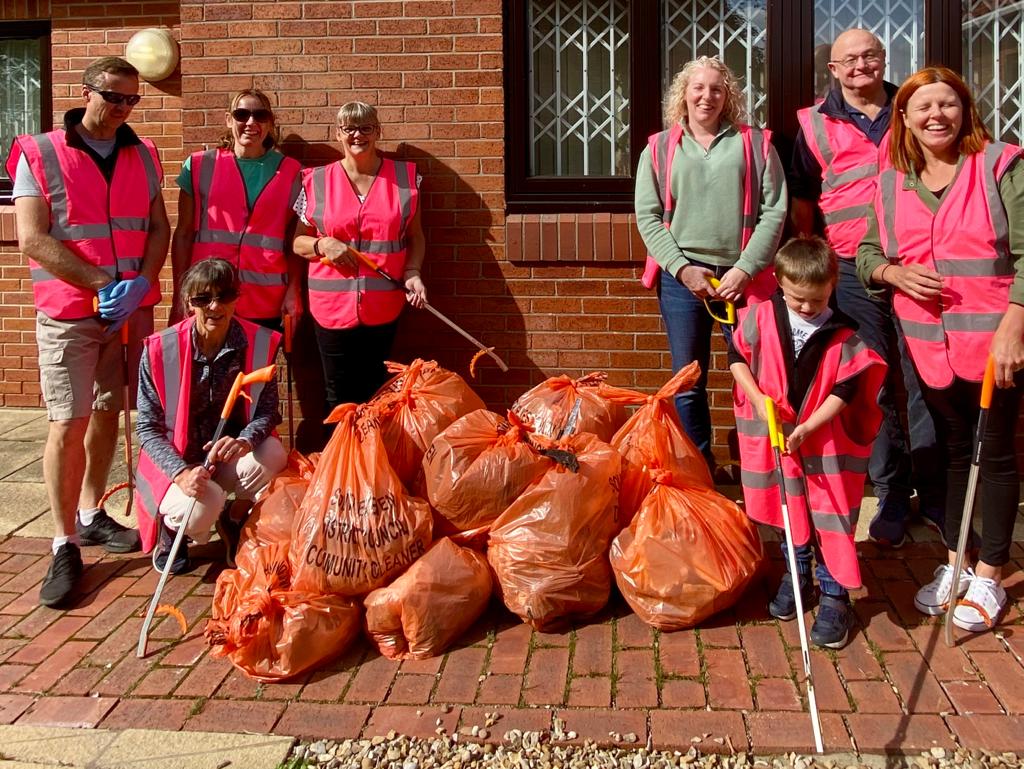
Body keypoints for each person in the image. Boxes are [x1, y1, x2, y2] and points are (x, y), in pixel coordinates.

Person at [857, 67, 1024, 633]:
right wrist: (892, 272)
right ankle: (956, 560)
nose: (936, 116)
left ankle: (993, 572)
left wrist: (1014, 328)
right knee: (953, 453)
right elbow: (867, 252)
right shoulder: (891, 180)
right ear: (903, 117)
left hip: (994, 343)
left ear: (964, 109)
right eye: (922, 106)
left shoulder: (1000, 166)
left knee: (994, 454)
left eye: (946, 104)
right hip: (929, 346)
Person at [7, 56, 169, 607]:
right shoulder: (41, 152)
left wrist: (143, 285)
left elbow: (157, 227)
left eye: (132, 101)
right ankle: (63, 543)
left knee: (108, 413)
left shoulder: (143, 153)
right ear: (87, 92)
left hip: (126, 314)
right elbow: (32, 237)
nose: (122, 108)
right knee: (68, 422)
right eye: (113, 97)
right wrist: (104, 283)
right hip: (70, 313)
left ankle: (93, 511)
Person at [790, 28, 941, 548]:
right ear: (832, 69)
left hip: (917, 262)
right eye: (848, 59)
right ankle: (892, 491)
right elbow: (804, 202)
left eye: (870, 55)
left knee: (923, 376)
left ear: (884, 59)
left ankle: (934, 492)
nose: (861, 65)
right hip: (852, 268)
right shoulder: (813, 124)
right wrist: (818, 261)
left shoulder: (912, 109)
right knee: (872, 380)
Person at [634, 56, 787, 474]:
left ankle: (761, 467)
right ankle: (700, 467)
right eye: (698, 87)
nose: (707, 96)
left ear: (728, 96)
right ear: (684, 94)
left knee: (760, 377)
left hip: (744, 278)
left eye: (716, 88)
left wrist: (745, 269)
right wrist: (682, 269)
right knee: (689, 379)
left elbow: (774, 211)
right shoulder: (660, 148)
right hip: (684, 279)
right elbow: (646, 215)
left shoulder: (755, 144)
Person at [731, 237, 886, 648]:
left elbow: (847, 389)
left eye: (815, 300)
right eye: (798, 299)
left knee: (832, 519)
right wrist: (760, 398)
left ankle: (835, 594)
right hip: (777, 441)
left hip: (825, 446)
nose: (806, 308)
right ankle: (797, 575)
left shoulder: (845, 336)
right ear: (779, 282)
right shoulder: (761, 318)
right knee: (788, 508)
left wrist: (808, 427)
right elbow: (737, 357)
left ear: (832, 284)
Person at [134, 259, 286, 573]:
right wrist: (180, 473)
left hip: (226, 456)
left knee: (271, 453)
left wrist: (245, 441)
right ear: (189, 303)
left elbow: (268, 411)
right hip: (178, 462)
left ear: (237, 297)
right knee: (202, 507)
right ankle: (173, 529)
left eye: (225, 296)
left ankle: (234, 519)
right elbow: (147, 427)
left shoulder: (259, 342)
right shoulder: (160, 349)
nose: (215, 306)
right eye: (204, 299)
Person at [292, 101, 426, 415]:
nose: (358, 134)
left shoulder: (405, 178)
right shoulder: (315, 181)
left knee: (377, 393)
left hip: (384, 307)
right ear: (338, 134)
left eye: (366, 127)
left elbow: (415, 236)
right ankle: (342, 462)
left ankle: (369, 460)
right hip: (330, 309)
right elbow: (298, 242)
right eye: (349, 128)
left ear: (378, 132)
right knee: (338, 398)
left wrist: (413, 271)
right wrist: (323, 244)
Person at [170, 88, 303, 330]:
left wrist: (294, 290)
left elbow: (293, 240)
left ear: (270, 124)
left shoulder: (291, 171)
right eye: (242, 114)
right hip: (209, 296)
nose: (251, 122)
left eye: (260, 116)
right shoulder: (200, 165)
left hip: (266, 300)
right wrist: (179, 294)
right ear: (229, 119)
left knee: (259, 368)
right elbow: (183, 234)